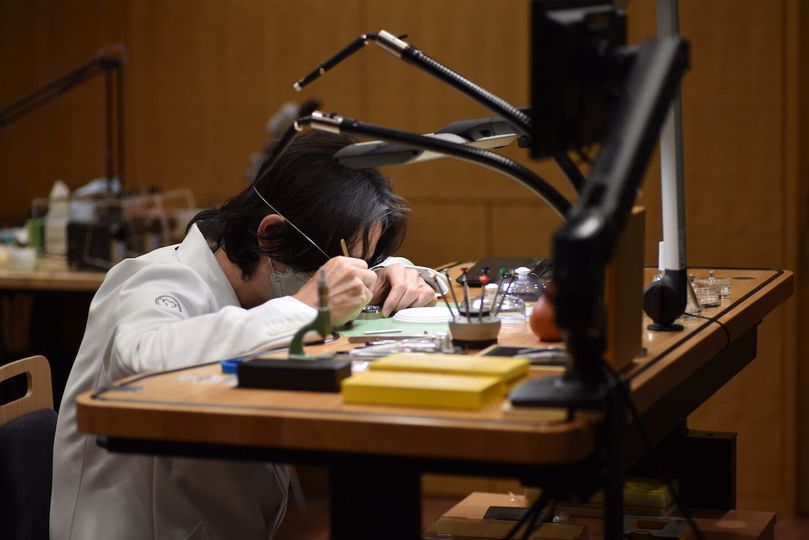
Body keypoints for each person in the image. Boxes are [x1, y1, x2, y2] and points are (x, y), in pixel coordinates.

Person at [51, 131, 438, 540]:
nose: (351, 277)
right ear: (271, 235)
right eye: (338, 265)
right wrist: (308, 308)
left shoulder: (264, 295)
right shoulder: (154, 278)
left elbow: (322, 289)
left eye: (362, 264)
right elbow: (143, 355)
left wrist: (393, 272)